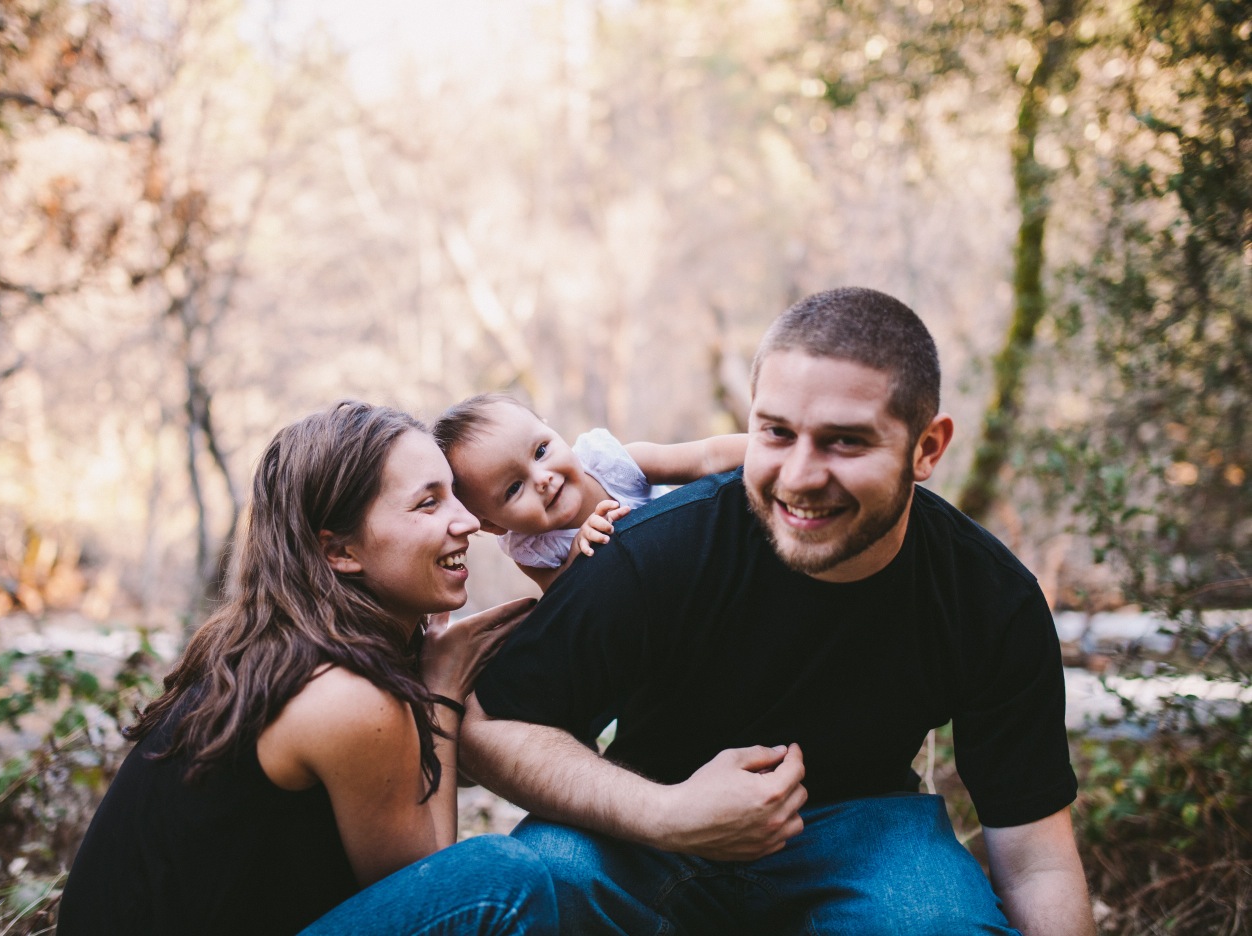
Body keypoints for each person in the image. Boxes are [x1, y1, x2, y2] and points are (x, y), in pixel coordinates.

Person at [461, 288, 1097, 935]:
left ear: (927, 448)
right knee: (527, 880)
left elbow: (1035, 864)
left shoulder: (990, 599)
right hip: (645, 824)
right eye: (776, 433)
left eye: (844, 442)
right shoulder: (652, 550)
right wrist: (666, 813)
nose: (798, 476)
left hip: (871, 840)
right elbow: (493, 726)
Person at [57, 401, 558, 936]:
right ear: (340, 551)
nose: (467, 521)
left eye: (454, 493)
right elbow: (438, 890)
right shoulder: (346, 696)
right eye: (428, 504)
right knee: (502, 880)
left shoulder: (273, 649)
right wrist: (442, 692)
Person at [434, 393, 747, 590]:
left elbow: (705, 457)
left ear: (553, 431)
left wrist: (772, 449)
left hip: (703, 548)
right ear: (493, 524)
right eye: (514, 488)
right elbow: (560, 604)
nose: (542, 479)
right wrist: (576, 558)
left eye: (541, 450)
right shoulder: (532, 549)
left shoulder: (609, 463)